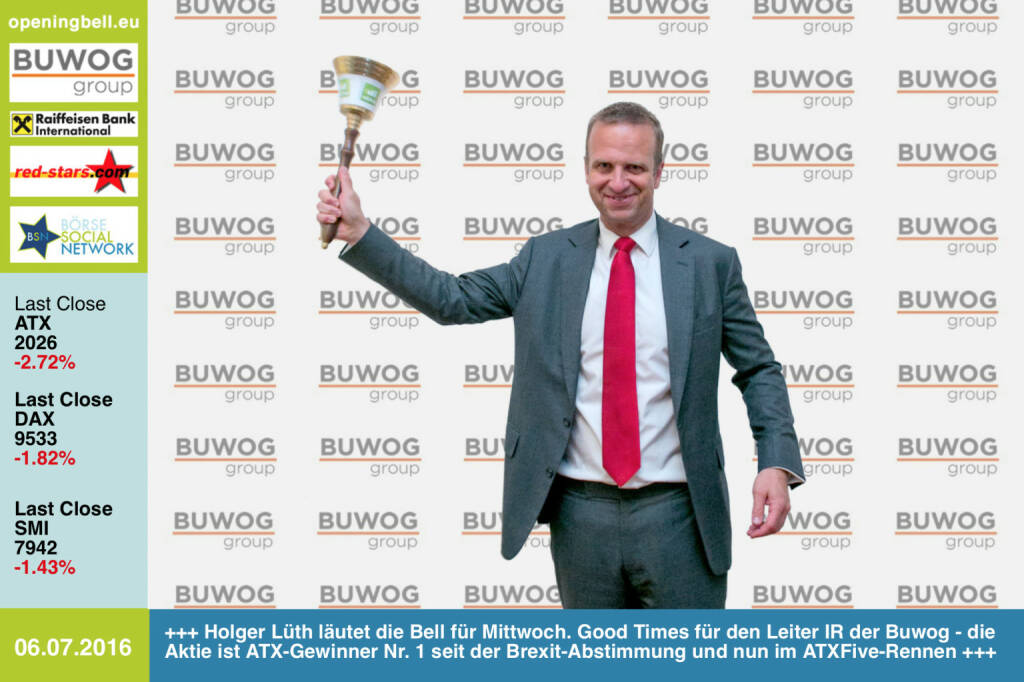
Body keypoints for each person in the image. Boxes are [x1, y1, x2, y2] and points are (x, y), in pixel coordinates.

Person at [316, 102, 804, 608]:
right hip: (580, 516)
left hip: (680, 513)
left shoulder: (710, 263)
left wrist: (776, 461)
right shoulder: (544, 258)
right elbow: (450, 298)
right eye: (604, 165)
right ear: (586, 168)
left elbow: (758, 368)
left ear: (659, 172)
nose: (618, 182)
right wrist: (362, 233)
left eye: (635, 167)